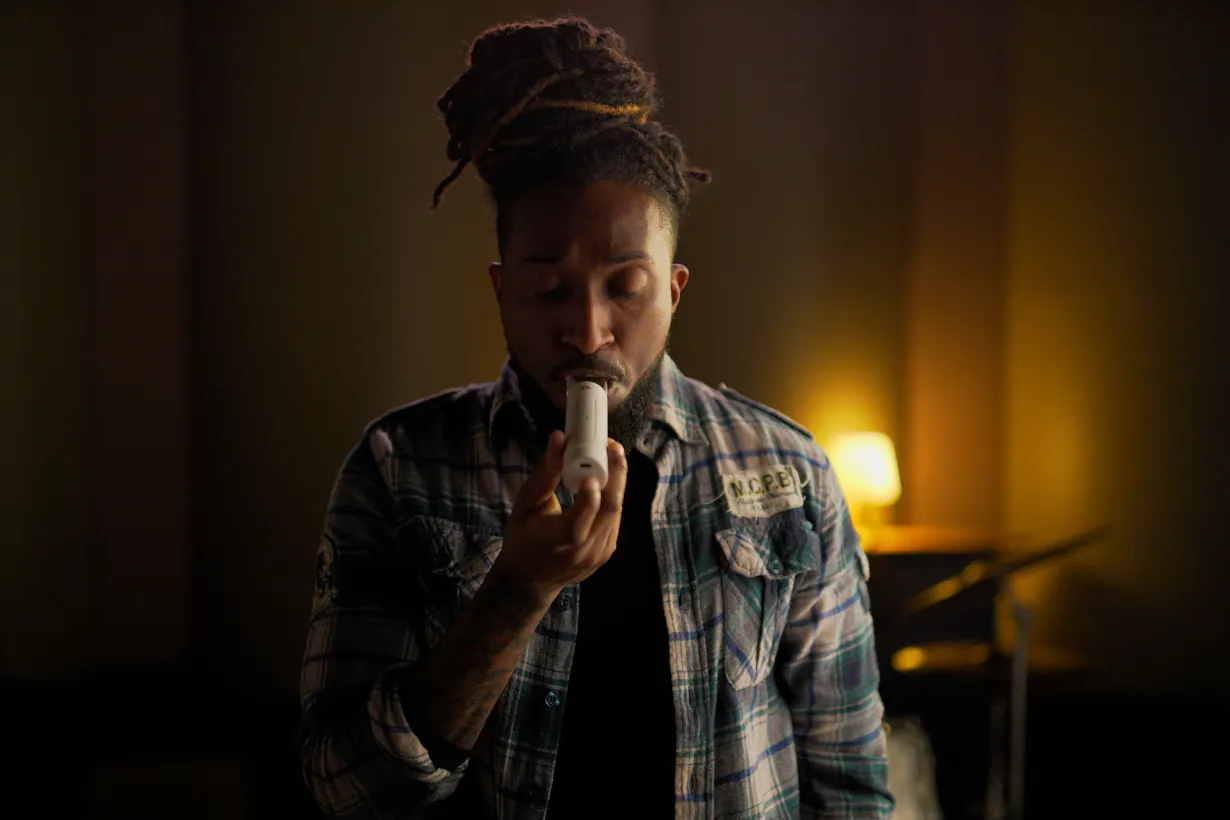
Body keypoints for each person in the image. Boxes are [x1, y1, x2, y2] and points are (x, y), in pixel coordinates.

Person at [296, 15, 892, 820]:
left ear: (673, 290)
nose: (585, 331)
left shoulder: (787, 472)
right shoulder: (400, 467)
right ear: (502, 289)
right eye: (547, 290)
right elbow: (347, 787)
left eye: (625, 288)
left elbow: (850, 780)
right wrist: (516, 592)